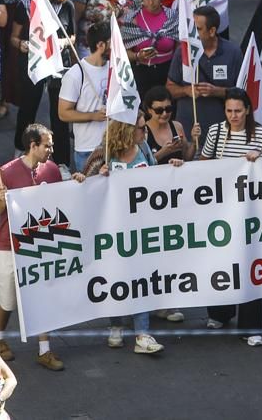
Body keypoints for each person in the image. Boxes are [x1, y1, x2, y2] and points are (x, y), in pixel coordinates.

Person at [83, 118, 174, 355]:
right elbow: (82, 187)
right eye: (142, 127)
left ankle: (142, 333)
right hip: (111, 228)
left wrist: (172, 168)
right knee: (116, 276)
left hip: (142, 226)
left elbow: (156, 177)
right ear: (126, 130)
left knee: (140, 276)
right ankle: (116, 326)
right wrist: (96, 178)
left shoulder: (143, 148)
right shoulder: (102, 154)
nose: (146, 130)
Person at [0, 125, 67, 370]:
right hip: (8, 245)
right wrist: (2, 200)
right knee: (8, 299)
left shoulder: (53, 170)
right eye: (47, 146)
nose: (51, 150)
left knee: (43, 295)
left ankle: (45, 350)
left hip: (42, 244)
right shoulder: (6, 173)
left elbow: (63, 200)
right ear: (33, 146)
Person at [198, 88, 262, 344]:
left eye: (238, 111)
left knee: (251, 265)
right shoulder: (216, 131)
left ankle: (251, 327)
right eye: (229, 111)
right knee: (220, 261)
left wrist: (258, 160)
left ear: (248, 110)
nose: (233, 116)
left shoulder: (261, 134)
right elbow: (204, 163)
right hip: (221, 209)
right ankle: (220, 312)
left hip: (250, 211)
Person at [12, 0, 75, 162]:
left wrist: (63, 43)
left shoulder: (66, 6)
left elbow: (72, 36)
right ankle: (20, 152)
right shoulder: (24, 6)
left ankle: (62, 162)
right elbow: (14, 37)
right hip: (34, 64)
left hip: (57, 67)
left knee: (59, 114)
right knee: (28, 108)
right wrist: (22, 44)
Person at [166, 5, 240, 139]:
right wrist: (186, 90)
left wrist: (216, 91)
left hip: (223, 132)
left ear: (212, 31)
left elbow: (243, 92)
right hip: (188, 132)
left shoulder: (233, 52)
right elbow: (169, 89)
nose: (192, 34)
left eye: (198, 29)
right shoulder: (182, 52)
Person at [58, 21, 111, 171]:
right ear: (101, 45)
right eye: (112, 43)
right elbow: (63, 113)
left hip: (115, 146)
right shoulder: (76, 74)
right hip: (88, 149)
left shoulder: (115, 69)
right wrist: (93, 116)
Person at [122, 0, 178, 94]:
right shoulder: (132, 19)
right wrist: (138, 56)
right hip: (141, 74)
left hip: (168, 74)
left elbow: (179, 49)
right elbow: (123, 52)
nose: (151, 3)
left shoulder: (173, 17)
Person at [143, 85, 194, 163]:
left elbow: (187, 158)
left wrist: (194, 141)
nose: (164, 114)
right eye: (159, 110)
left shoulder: (177, 126)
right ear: (149, 110)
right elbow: (142, 163)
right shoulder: (143, 130)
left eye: (168, 109)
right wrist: (164, 152)